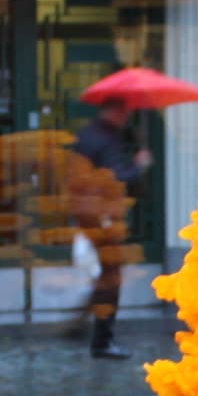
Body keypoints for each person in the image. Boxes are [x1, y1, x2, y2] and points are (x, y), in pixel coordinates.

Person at [68, 96, 151, 360]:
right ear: (116, 110)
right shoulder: (107, 139)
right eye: (125, 111)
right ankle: (102, 340)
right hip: (103, 217)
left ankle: (83, 323)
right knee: (111, 279)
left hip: (87, 214)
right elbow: (116, 179)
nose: (127, 116)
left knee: (106, 276)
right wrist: (139, 166)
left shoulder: (87, 135)